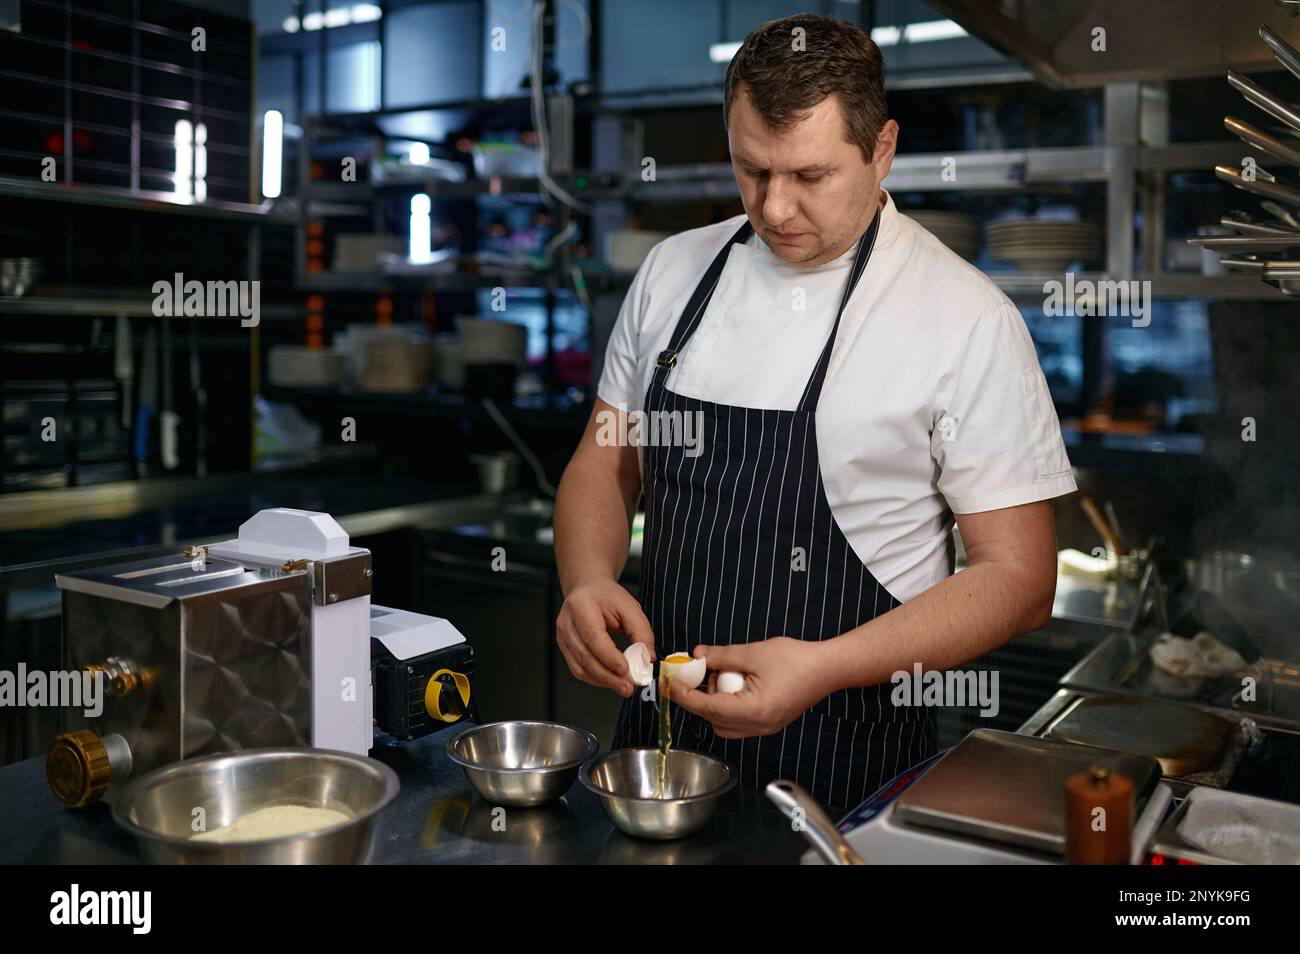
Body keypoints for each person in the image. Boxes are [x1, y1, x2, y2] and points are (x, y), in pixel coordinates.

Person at [553, 13, 1076, 810]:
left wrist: (823, 667)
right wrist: (585, 579)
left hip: (848, 758)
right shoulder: (673, 273)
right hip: (661, 751)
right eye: (751, 171)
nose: (776, 208)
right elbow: (604, 459)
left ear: (883, 148)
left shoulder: (965, 318)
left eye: (810, 175)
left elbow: (1019, 577)